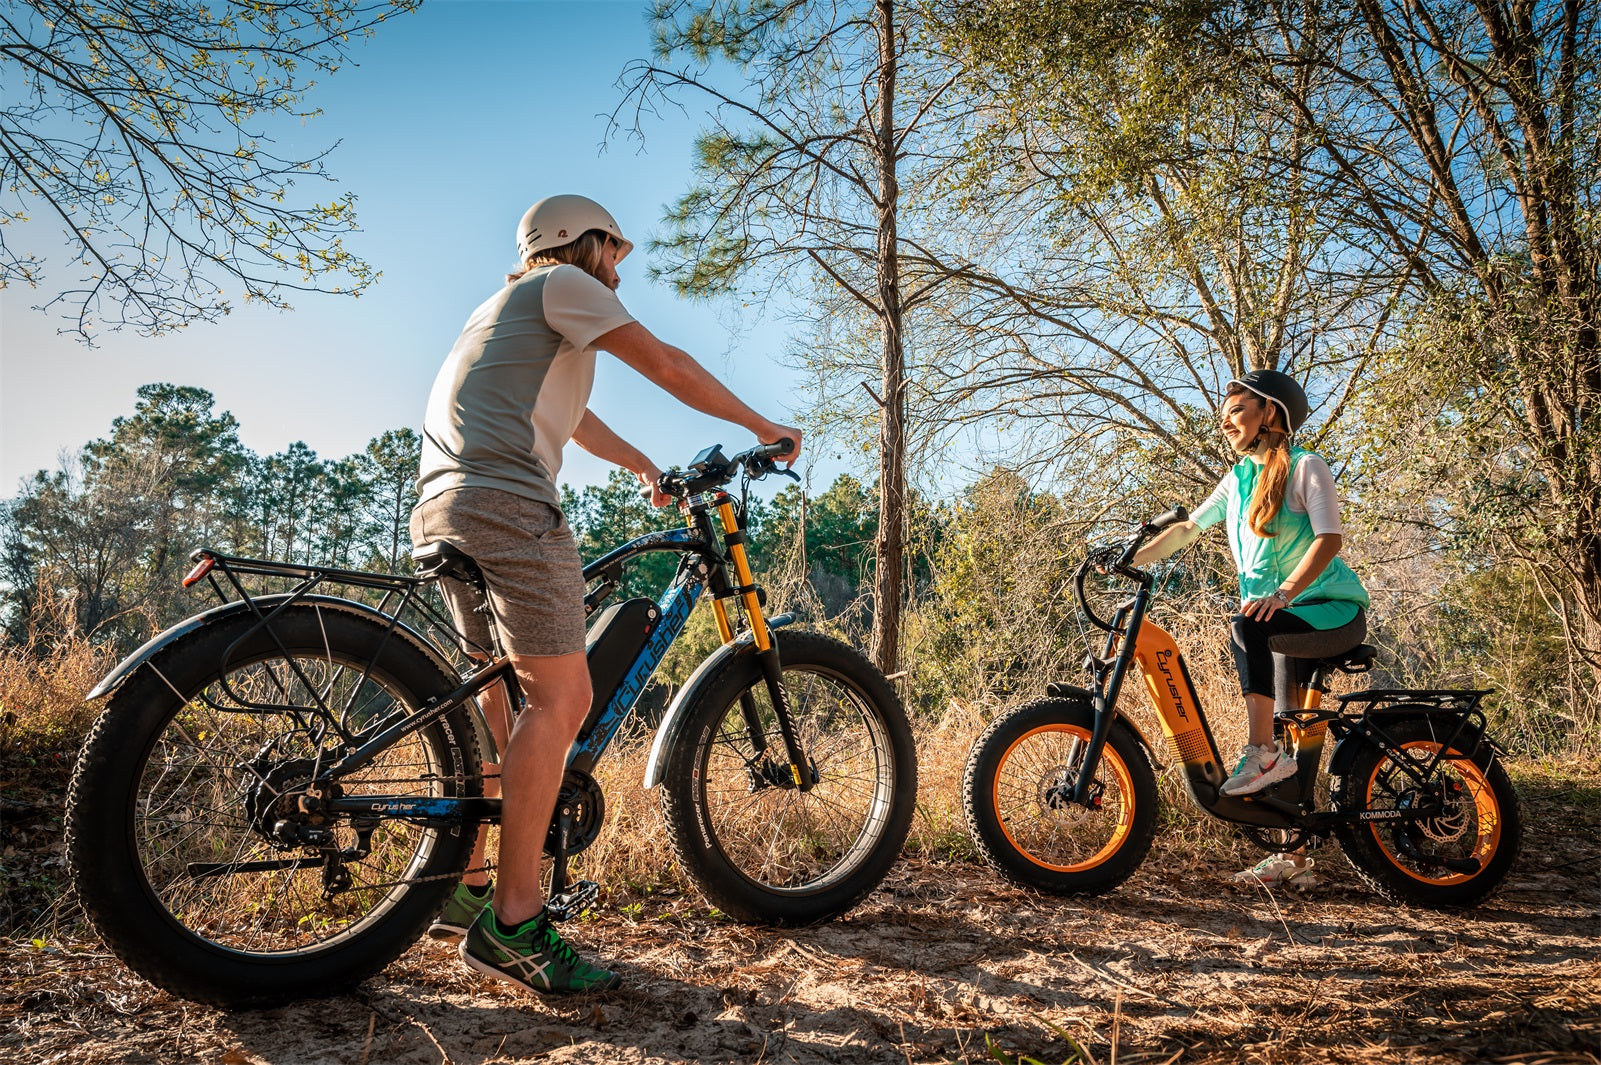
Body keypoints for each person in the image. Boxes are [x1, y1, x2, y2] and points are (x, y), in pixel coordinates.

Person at [409, 194, 801, 993]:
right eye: (613, 248)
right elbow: (667, 365)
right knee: (563, 698)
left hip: (444, 504)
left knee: (502, 705)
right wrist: (767, 427)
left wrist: (640, 466)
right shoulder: (564, 283)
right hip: (508, 502)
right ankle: (516, 925)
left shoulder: (502, 308)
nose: (619, 266)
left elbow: (572, 414)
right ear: (579, 243)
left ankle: (470, 883)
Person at [1131, 369, 1369, 889]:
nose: (1226, 423)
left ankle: (1258, 755)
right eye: (1223, 416)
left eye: (1236, 411)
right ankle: (1296, 859)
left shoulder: (1307, 467)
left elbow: (1329, 539)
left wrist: (1283, 594)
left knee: (1247, 627)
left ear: (1271, 413)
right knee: (1291, 728)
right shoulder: (1238, 479)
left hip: (1330, 610)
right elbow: (1189, 528)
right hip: (1281, 620)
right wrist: (1130, 559)